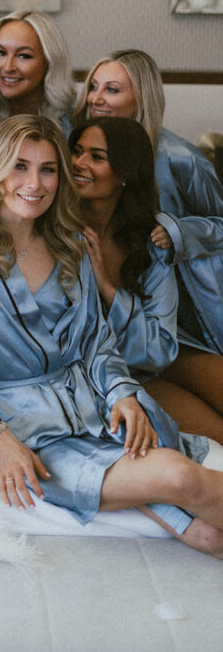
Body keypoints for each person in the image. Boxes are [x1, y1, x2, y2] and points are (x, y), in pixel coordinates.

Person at [0, 115, 222, 559]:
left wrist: (123, 393)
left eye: (48, 169)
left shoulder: (69, 246)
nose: (34, 183)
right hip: (28, 431)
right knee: (181, 478)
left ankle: (186, 524)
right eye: (20, 166)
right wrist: (0, 440)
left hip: (97, 406)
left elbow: (97, 342)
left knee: (208, 535)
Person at [70, 118, 223, 443]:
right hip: (97, 376)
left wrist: (110, 291)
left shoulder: (151, 241)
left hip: (151, 360)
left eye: (96, 157)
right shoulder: (59, 232)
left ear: (125, 173)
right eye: (77, 151)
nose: (79, 163)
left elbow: (160, 349)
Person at [73, 48, 223, 358]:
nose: (95, 98)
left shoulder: (182, 160)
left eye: (111, 89)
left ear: (142, 97)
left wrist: (179, 231)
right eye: (93, 86)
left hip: (184, 309)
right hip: (110, 305)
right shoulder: (77, 151)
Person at [0, 10, 75, 132]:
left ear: (49, 62)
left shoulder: (71, 123)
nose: (8, 67)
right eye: (0, 52)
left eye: (23, 56)